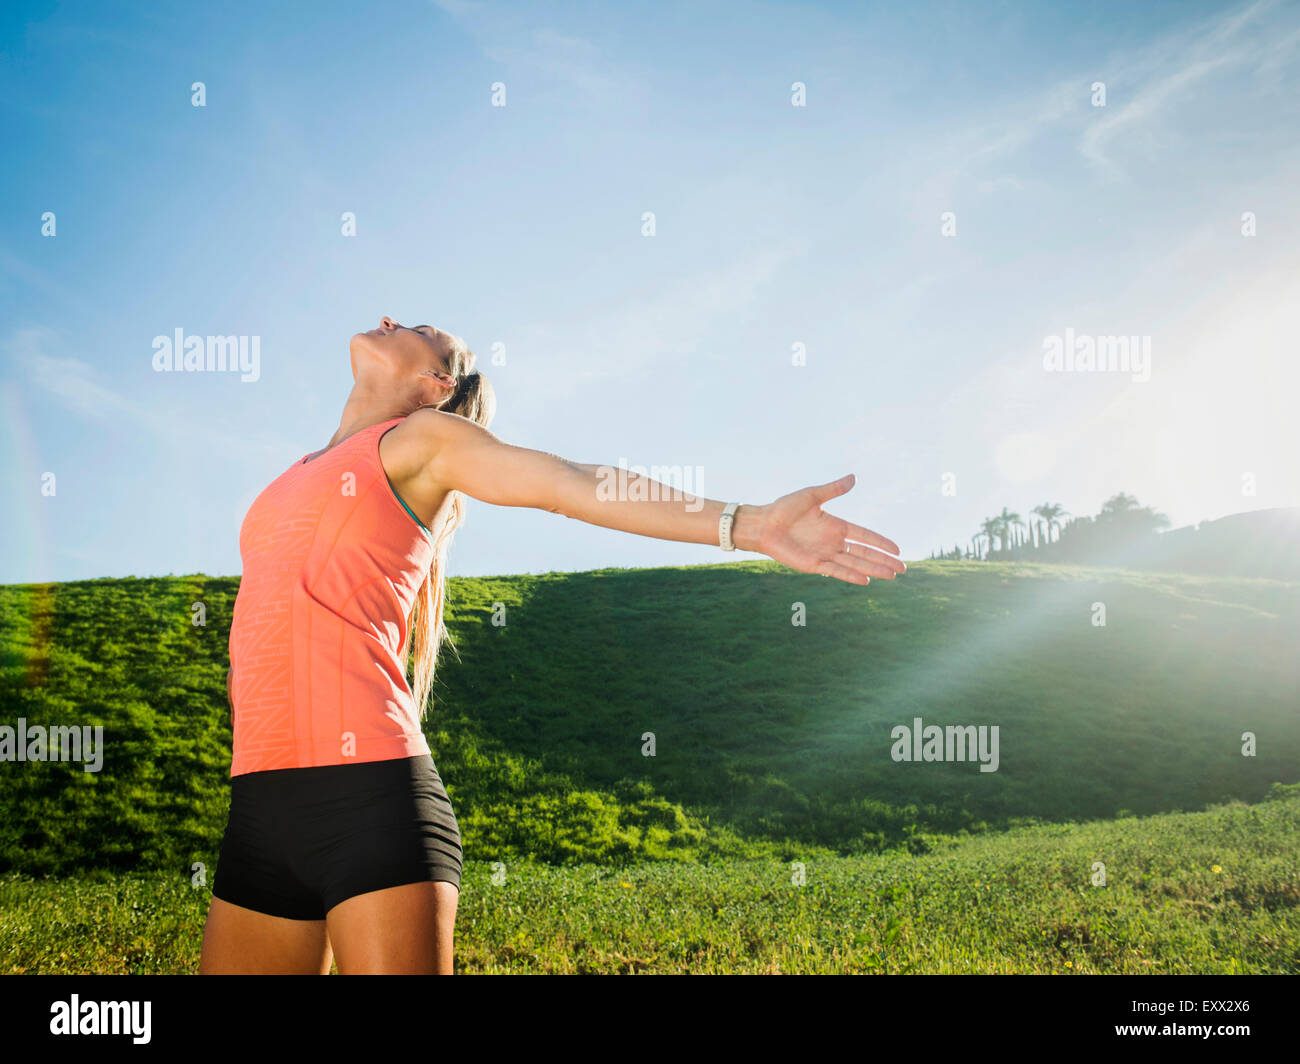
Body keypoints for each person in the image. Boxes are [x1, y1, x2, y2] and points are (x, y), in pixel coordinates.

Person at [198, 316, 904, 974]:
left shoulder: (421, 442)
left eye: (416, 329)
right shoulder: (291, 475)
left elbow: (571, 483)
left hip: (366, 797)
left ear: (438, 386)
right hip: (259, 802)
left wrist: (745, 524)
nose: (388, 320)